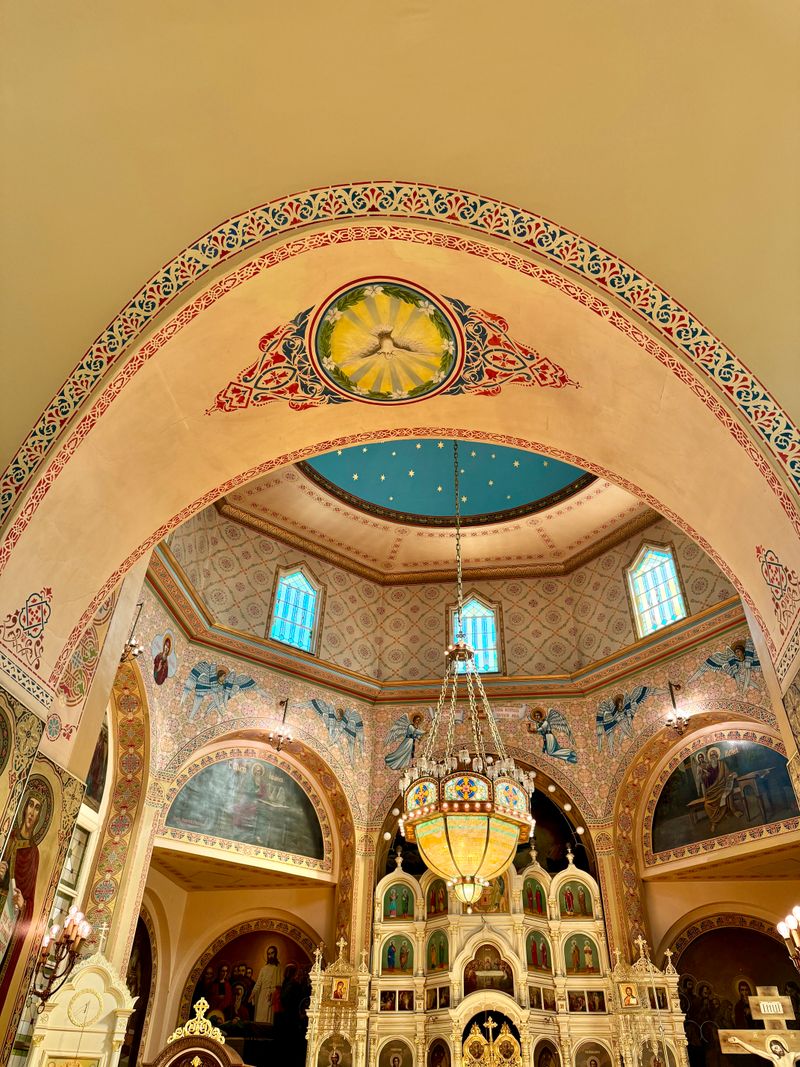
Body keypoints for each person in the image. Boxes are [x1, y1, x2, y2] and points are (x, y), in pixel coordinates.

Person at [0, 786, 47, 1004]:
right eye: (30, 805)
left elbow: (29, 901)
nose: (32, 812)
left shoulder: (33, 852)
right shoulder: (7, 838)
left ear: (39, 815)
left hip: (8, 922)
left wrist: (22, 903)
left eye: (37, 808)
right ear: (24, 808)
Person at [700, 747, 743, 831]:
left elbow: (728, 774)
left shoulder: (722, 764)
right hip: (712, 791)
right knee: (706, 804)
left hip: (722, 787)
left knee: (726, 793)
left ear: (717, 756)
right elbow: (705, 781)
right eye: (711, 755)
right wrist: (705, 776)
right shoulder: (708, 767)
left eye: (714, 755)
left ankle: (732, 811)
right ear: (710, 757)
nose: (713, 756)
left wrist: (733, 774)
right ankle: (714, 821)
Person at [251, 944, 282, 1024]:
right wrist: (253, 993)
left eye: (272, 953)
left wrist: (273, 993)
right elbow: (258, 983)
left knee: (268, 1017)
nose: (270, 955)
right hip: (262, 995)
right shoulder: (263, 969)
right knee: (261, 1015)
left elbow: (279, 983)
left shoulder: (278, 968)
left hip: (272, 995)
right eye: (268, 954)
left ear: (275, 954)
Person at [727, 1036, 799, 1067]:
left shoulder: (792, 1055)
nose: (777, 1051)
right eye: (774, 1050)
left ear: (781, 1045)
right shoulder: (774, 1058)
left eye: (777, 1047)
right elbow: (755, 1051)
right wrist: (739, 1041)